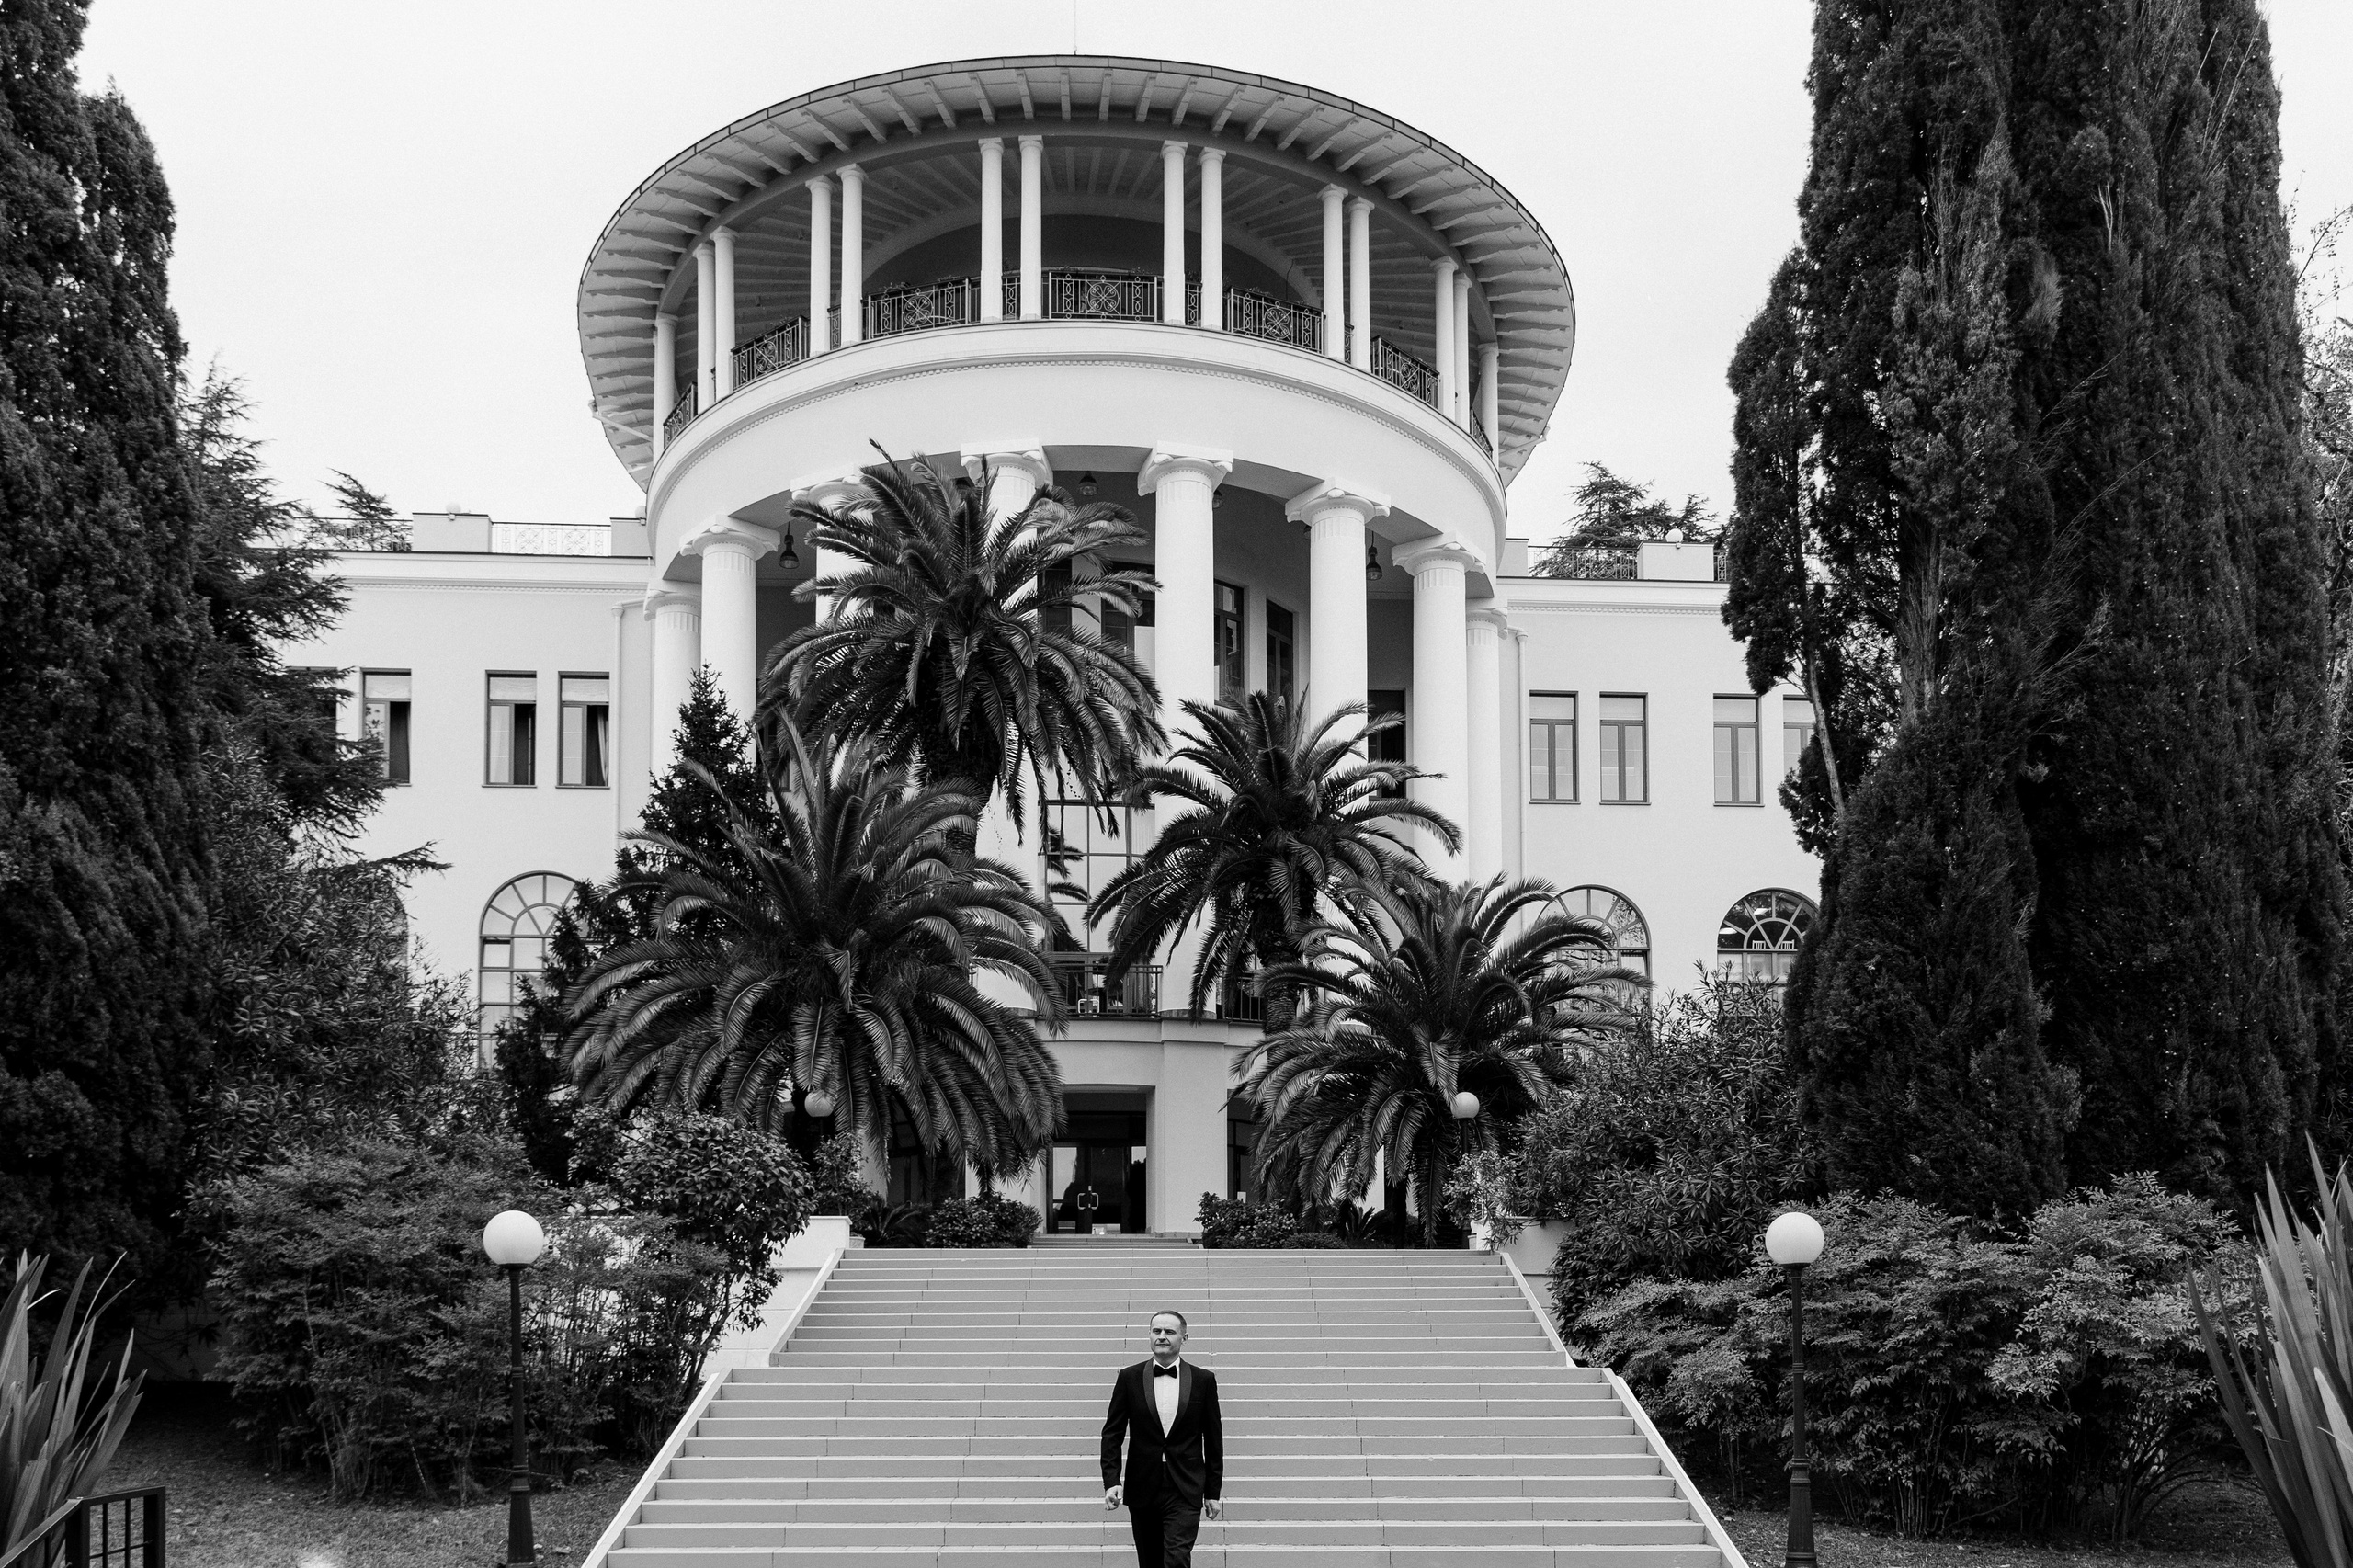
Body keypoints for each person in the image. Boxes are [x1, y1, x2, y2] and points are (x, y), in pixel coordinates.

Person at [1100, 1309, 1223, 1567]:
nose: (1162, 1336)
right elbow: (1113, 1432)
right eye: (1157, 1331)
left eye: (1169, 1331)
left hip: (1185, 1485)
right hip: (1143, 1484)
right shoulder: (1129, 1377)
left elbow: (1214, 1440)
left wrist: (1212, 1491)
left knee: (1177, 1559)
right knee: (1150, 1561)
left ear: (1184, 1338)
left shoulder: (1203, 1380)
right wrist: (1111, 1480)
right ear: (1149, 1336)